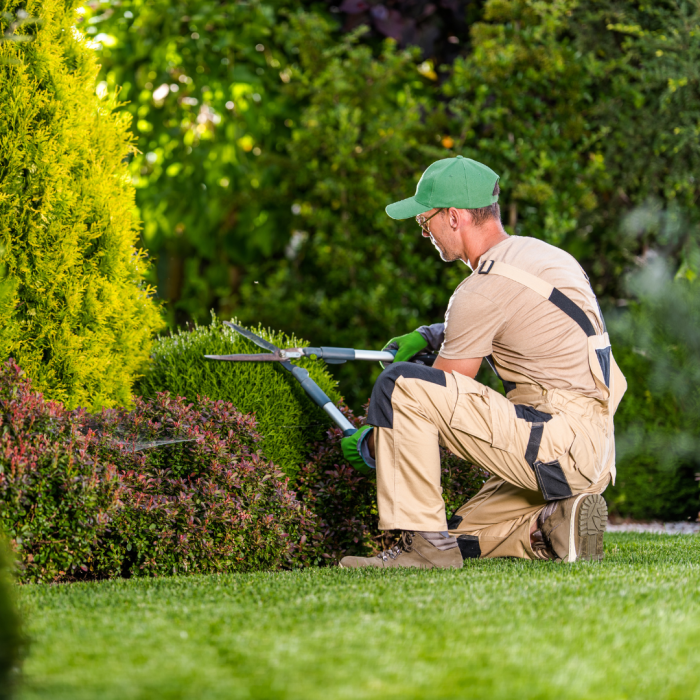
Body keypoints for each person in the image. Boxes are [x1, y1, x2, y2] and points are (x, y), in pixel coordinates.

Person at [339, 156, 626, 569]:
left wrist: (371, 443)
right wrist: (431, 334)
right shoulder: (541, 257)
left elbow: (436, 398)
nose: (425, 232)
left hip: (556, 444)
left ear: (454, 217)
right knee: (457, 534)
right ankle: (551, 524)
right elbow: (521, 320)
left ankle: (426, 553)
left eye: (425, 220)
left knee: (400, 385)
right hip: (591, 449)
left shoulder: (482, 288)